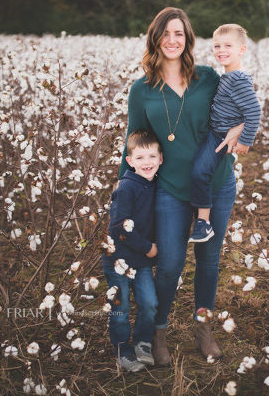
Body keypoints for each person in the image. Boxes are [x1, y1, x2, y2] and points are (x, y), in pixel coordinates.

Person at [119, 7, 244, 365]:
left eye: (179, 34)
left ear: (188, 39)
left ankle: (202, 329)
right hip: (171, 188)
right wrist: (122, 195)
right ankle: (158, 332)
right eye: (165, 33)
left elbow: (242, 104)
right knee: (170, 263)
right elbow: (133, 140)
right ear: (155, 38)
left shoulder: (208, 78)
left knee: (209, 263)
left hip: (217, 183)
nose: (172, 40)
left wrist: (242, 130)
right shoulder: (142, 90)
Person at [188, 24, 261, 243]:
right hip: (216, 132)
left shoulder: (237, 80)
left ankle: (203, 222)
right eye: (217, 45)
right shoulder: (226, 77)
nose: (221, 50)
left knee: (200, 172)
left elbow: (254, 110)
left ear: (242, 49)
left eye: (228, 45)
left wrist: (245, 140)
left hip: (220, 136)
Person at [103, 130, 162, 372]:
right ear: (129, 161)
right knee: (121, 307)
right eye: (139, 158)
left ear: (161, 159)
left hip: (141, 261)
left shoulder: (157, 185)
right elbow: (118, 227)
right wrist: (148, 247)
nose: (146, 163)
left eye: (151, 157)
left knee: (149, 303)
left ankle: (142, 342)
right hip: (117, 258)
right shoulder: (127, 187)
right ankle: (122, 350)